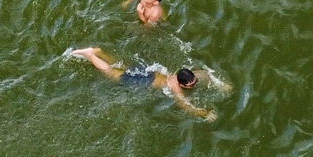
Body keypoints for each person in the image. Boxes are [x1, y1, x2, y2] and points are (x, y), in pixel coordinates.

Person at [66, 47, 220, 120]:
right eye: (191, 84)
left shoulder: (179, 76)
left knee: (123, 67)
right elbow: (185, 106)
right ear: (183, 84)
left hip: (151, 72)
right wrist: (204, 114)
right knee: (111, 73)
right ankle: (91, 55)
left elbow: (204, 73)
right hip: (147, 80)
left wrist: (220, 84)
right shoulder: (175, 88)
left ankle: (99, 52)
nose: (193, 84)